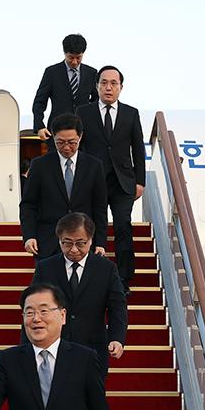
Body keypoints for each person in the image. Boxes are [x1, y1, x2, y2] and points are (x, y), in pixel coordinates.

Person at [31, 212, 127, 377]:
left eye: (80, 243)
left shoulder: (106, 269)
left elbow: (117, 306)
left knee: (90, 401)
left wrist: (116, 338)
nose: (74, 249)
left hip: (93, 349)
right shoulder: (45, 268)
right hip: (52, 349)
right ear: (59, 240)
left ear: (90, 240)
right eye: (67, 243)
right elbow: (33, 307)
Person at [76, 65, 146, 294]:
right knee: (93, 228)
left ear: (121, 88)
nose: (108, 87)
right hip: (93, 180)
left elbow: (137, 149)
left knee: (123, 227)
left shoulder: (131, 113)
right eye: (104, 82)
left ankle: (124, 278)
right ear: (96, 86)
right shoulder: (83, 112)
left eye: (113, 83)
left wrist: (140, 181)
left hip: (122, 181)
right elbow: (80, 147)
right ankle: (92, 276)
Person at [20, 113, 108, 261]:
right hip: (48, 242)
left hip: (83, 243)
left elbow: (99, 207)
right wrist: (29, 236)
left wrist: (100, 242)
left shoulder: (94, 166)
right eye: (60, 142)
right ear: (53, 138)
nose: (66, 147)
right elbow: (28, 204)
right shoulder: (39, 165)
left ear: (80, 137)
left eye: (72, 142)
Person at [31, 33, 97, 143]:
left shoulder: (92, 73)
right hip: (57, 130)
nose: (74, 62)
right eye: (71, 57)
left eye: (78, 57)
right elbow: (39, 102)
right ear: (64, 53)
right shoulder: (52, 72)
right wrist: (39, 126)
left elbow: (97, 101)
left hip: (83, 132)